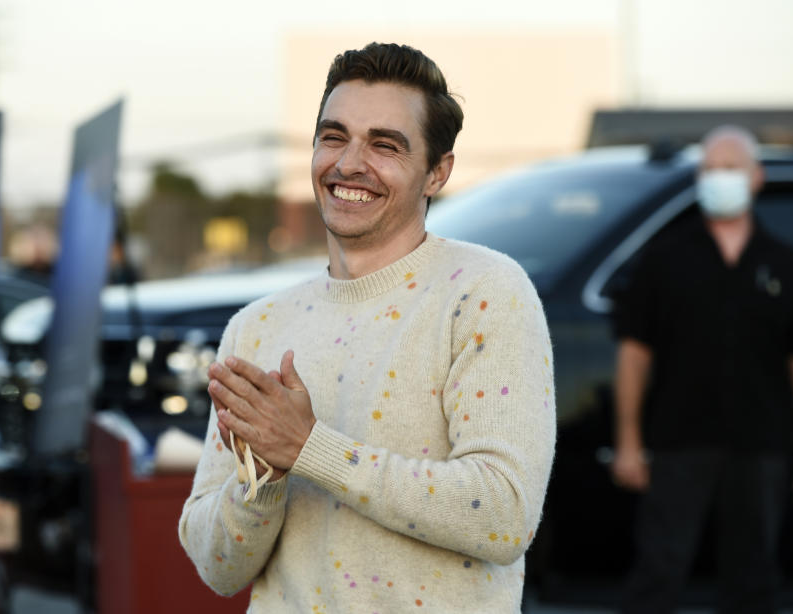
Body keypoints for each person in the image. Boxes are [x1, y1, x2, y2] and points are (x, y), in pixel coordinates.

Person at [178, 42, 556, 613]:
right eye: (334, 137)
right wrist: (264, 481)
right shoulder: (255, 328)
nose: (349, 163)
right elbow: (218, 569)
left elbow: (503, 514)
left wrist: (309, 448)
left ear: (437, 172)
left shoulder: (484, 293)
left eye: (385, 145)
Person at [611, 125, 793, 614]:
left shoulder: (787, 264)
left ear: (756, 177)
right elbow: (634, 353)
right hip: (678, 442)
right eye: (709, 169)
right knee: (657, 573)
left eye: (729, 168)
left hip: (764, 445)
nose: (718, 178)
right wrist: (627, 441)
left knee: (754, 580)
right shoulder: (664, 259)